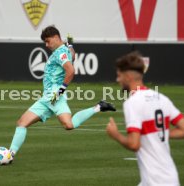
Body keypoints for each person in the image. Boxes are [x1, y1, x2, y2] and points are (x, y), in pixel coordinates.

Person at [9, 26, 116, 161]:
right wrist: (70, 45)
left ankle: (98, 107)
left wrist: (59, 92)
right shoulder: (63, 51)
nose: (46, 45)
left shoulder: (60, 53)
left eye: (47, 41)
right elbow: (72, 56)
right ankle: (10, 154)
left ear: (55, 37)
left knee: (68, 125)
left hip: (54, 95)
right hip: (47, 97)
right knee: (22, 123)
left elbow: (70, 71)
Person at [106, 52, 184, 186]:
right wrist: (160, 133)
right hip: (170, 177)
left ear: (128, 76)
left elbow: (134, 144)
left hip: (156, 181)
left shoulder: (132, 103)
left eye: (119, 76)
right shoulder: (162, 98)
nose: (118, 80)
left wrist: (116, 135)